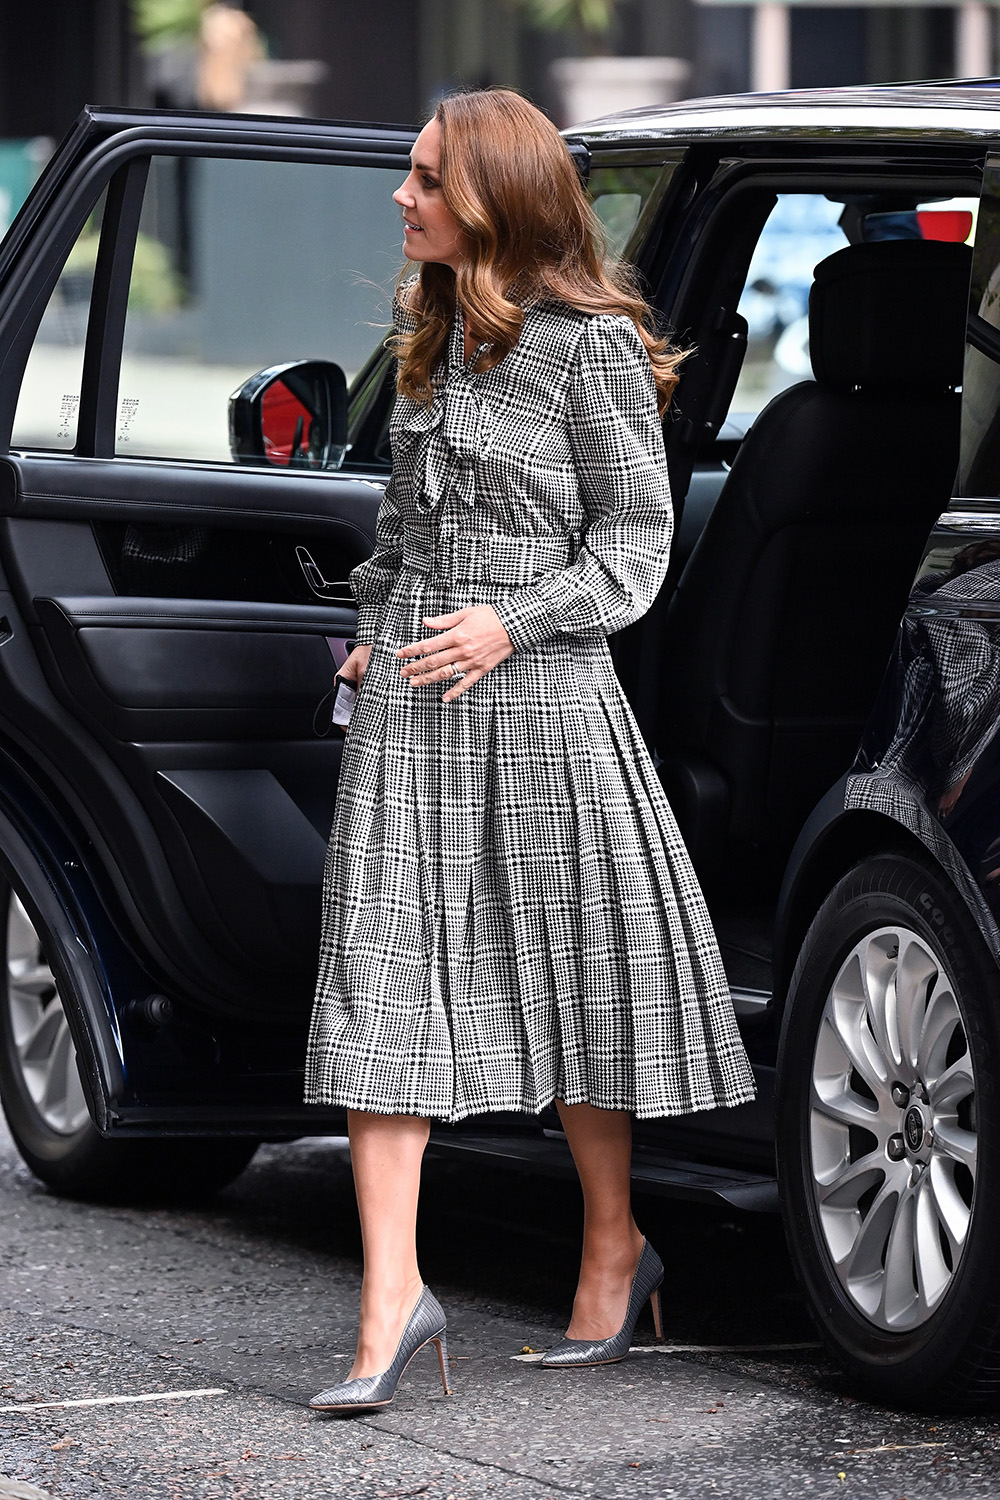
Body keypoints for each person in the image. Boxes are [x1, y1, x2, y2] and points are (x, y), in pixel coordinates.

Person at [303, 86, 755, 1413]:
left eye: (427, 178)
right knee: (377, 987)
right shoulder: (436, 332)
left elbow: (634, 547)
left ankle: (614, 1249)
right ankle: (391, 1305)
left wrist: (509, 621)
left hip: (547, 706)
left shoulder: (587, 346)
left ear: (494, 195)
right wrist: (373, 632)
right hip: (409, 717)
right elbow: (396, 541)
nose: (404, 198)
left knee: (569, 982)